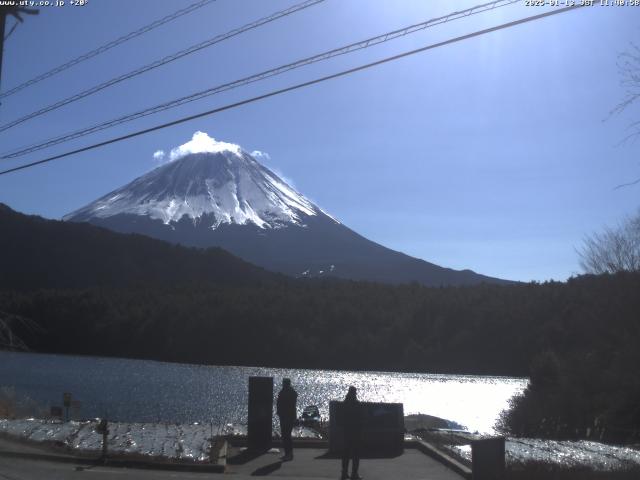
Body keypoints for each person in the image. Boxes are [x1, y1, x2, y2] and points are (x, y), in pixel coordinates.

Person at [341, 386, 362, 480]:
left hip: (346, 431)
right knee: (356, 454)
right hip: (355, 432)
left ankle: (344, 473)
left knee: (346, 453)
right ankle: (354, 474)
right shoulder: (357, 404)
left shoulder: (345, 404)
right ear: (355, 393)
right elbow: (360, 418)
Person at [276, 377, 297, 461]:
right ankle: (288, 453)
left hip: (287, 416)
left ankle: (289, 453)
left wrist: (280, 411)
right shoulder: (288, 392)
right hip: (285, 415)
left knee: (286, 435)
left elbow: (286, 405)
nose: (283, 384)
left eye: (284, 383)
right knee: (285, 435)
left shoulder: (287, 392)